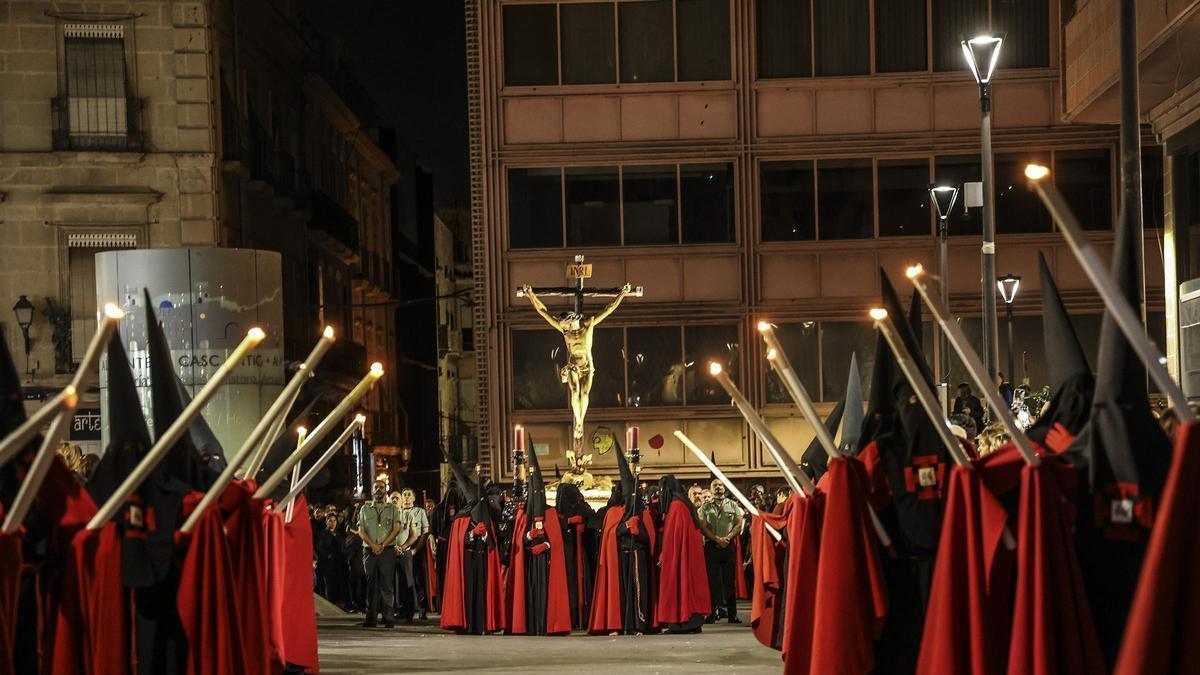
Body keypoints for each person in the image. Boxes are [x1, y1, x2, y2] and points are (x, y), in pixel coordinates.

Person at [656, 475, 713, 634]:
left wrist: (665, 556)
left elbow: (672, 539)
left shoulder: (676, 507)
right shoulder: (683, 504)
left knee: (680, 585)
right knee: (690, 587)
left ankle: (680, 623)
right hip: (689, 556)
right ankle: (693, 624)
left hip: (680, 557)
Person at [698, 479, 744, 624]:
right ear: (711, 490)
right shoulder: (705, 507)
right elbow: (703, 526)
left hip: (728, 546)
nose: (718, 487)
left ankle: (732, 614)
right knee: (712, 582)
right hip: (712, 547)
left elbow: (739, 523)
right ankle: (711, 613)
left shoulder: (733, 505)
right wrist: (717, 539)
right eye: (715, 486)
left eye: (720, 485)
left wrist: (728, 538)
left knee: (730, 581)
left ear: (724, 488)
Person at [358, 480, 403, 628]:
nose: (378, 490)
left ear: (386, 490)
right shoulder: (364, 509)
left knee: (387, 585)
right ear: (372, 490)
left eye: (381, 487)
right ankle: (370, 618)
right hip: (369, 551)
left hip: (387, 551)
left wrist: (382, 545)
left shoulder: (393, 509)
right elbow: (361, 531)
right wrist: (373, 545)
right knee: (371, 584)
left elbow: (396, 528)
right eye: (376, 487)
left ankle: (388, 618)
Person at [555, 482, 596, 630]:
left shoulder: (582, 506)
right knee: (567, 583)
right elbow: (553, 524)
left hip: (580, 552)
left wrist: (584, 525)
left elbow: (593, 520)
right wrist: (568, 521)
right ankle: (570, 618)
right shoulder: (557, 511)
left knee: (582, 582)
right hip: (564, 552)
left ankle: (583, 617)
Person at [389, 491, 418, 623]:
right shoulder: (385, 516)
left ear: (401, 501)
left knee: (407, 582)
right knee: (391, 583)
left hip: (404, 552)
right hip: (389, 552)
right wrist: (392, 546)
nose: (395, 499)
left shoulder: (408, 515)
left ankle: (408, 613)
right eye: (392, 498)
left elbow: (414, 535)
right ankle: (395, 611)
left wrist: (403, 546)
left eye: (397, 497)